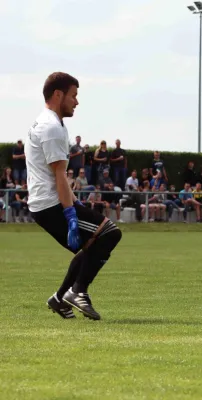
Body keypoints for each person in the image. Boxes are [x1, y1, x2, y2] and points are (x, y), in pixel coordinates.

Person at [26, 72, 122, 320]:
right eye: (73, 95)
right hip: (51, 204)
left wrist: (74, 203)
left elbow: (53, 173)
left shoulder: (49, 122)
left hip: (45, 203)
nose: (76, 102)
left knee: (92, 244)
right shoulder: (51, 128)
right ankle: (76, 291)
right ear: (58, 95)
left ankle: (60, 298)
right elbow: (58, 174)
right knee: (109, 233)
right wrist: (70, 213)